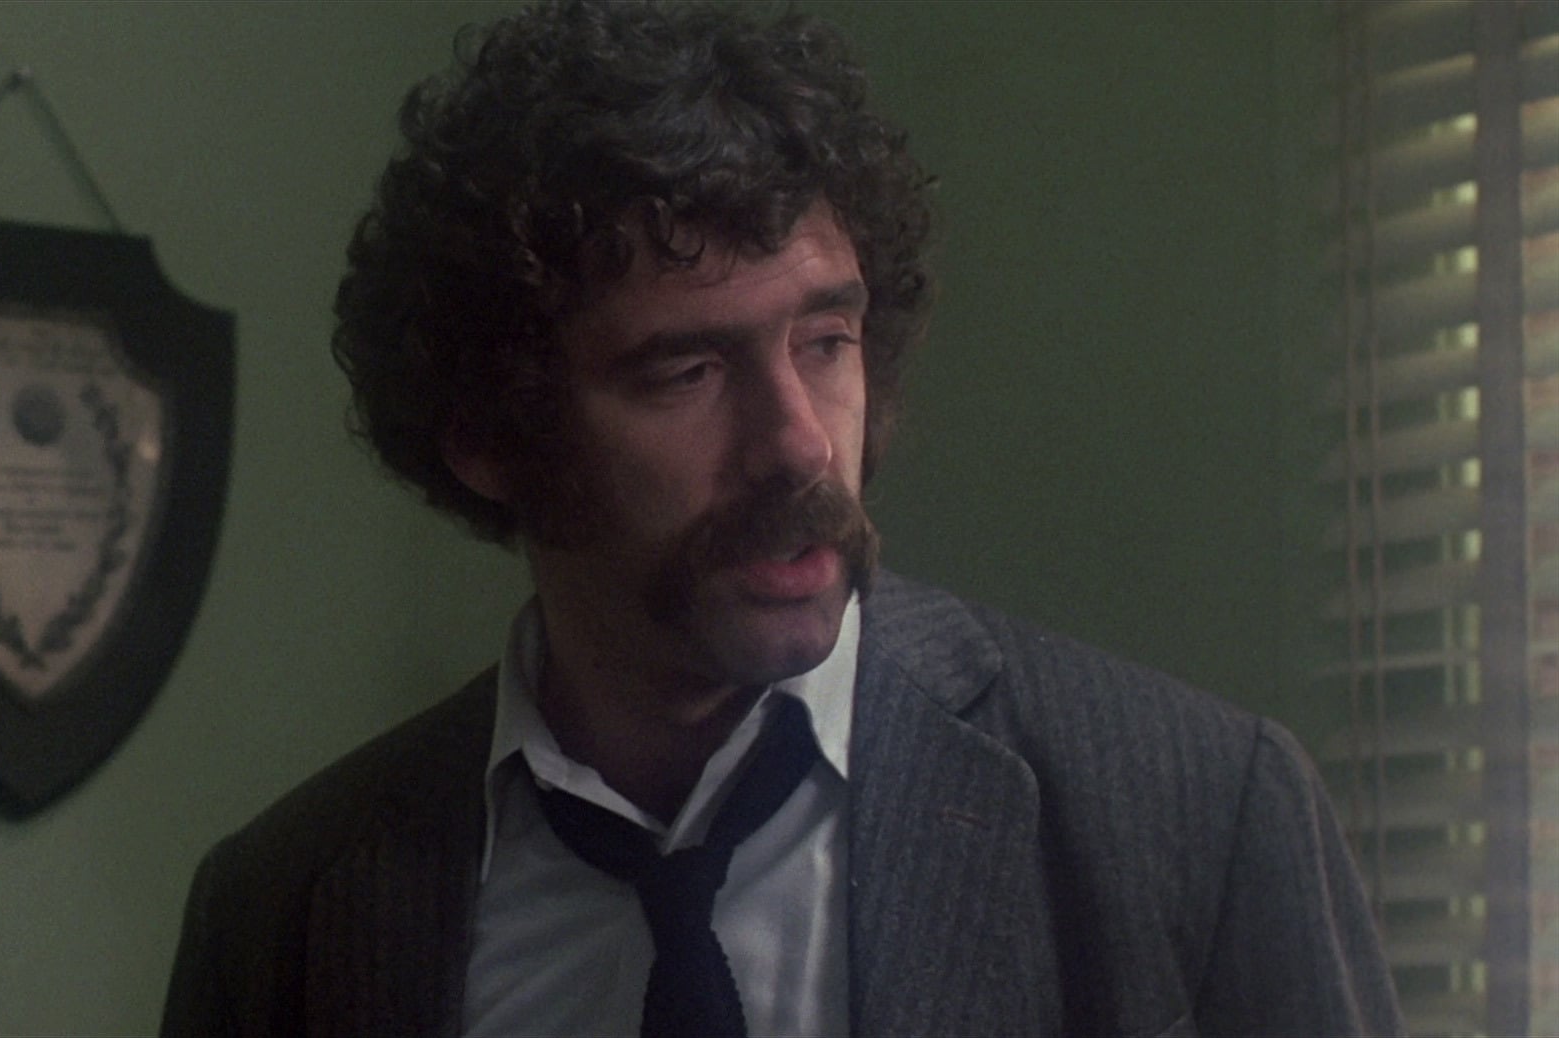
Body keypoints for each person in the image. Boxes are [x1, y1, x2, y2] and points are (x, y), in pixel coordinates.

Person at [162, 2, 1403, 1035]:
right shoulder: (285, 916)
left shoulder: (1200, 817)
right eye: (687, 372)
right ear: (490, 437)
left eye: (828, 341)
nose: (801, 444)